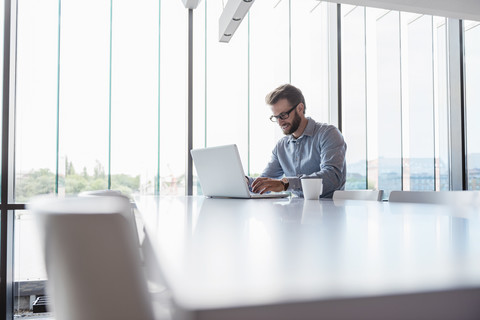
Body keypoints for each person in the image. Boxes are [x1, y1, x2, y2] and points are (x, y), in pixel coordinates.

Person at [249, 84, 347, 198]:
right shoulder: (282, 146)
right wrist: (245, 181)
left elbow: (332, 177)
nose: (280, 123)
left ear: (300, 108)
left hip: (330, 211)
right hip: (297, 211)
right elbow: (265, 182)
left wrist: (285, 184)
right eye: (276, 118)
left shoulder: (328, 134)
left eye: (283, 115)